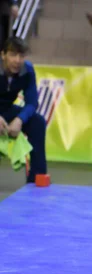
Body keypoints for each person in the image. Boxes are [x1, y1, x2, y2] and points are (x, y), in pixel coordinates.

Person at [0, 37, 47, 183]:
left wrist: (20, 120)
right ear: (3, 55)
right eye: (13, 55)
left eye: (21, 56)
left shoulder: (27, 70)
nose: (17, 61)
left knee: (38, 122)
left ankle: (37, 178)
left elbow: (32, 102)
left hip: (7, 110)